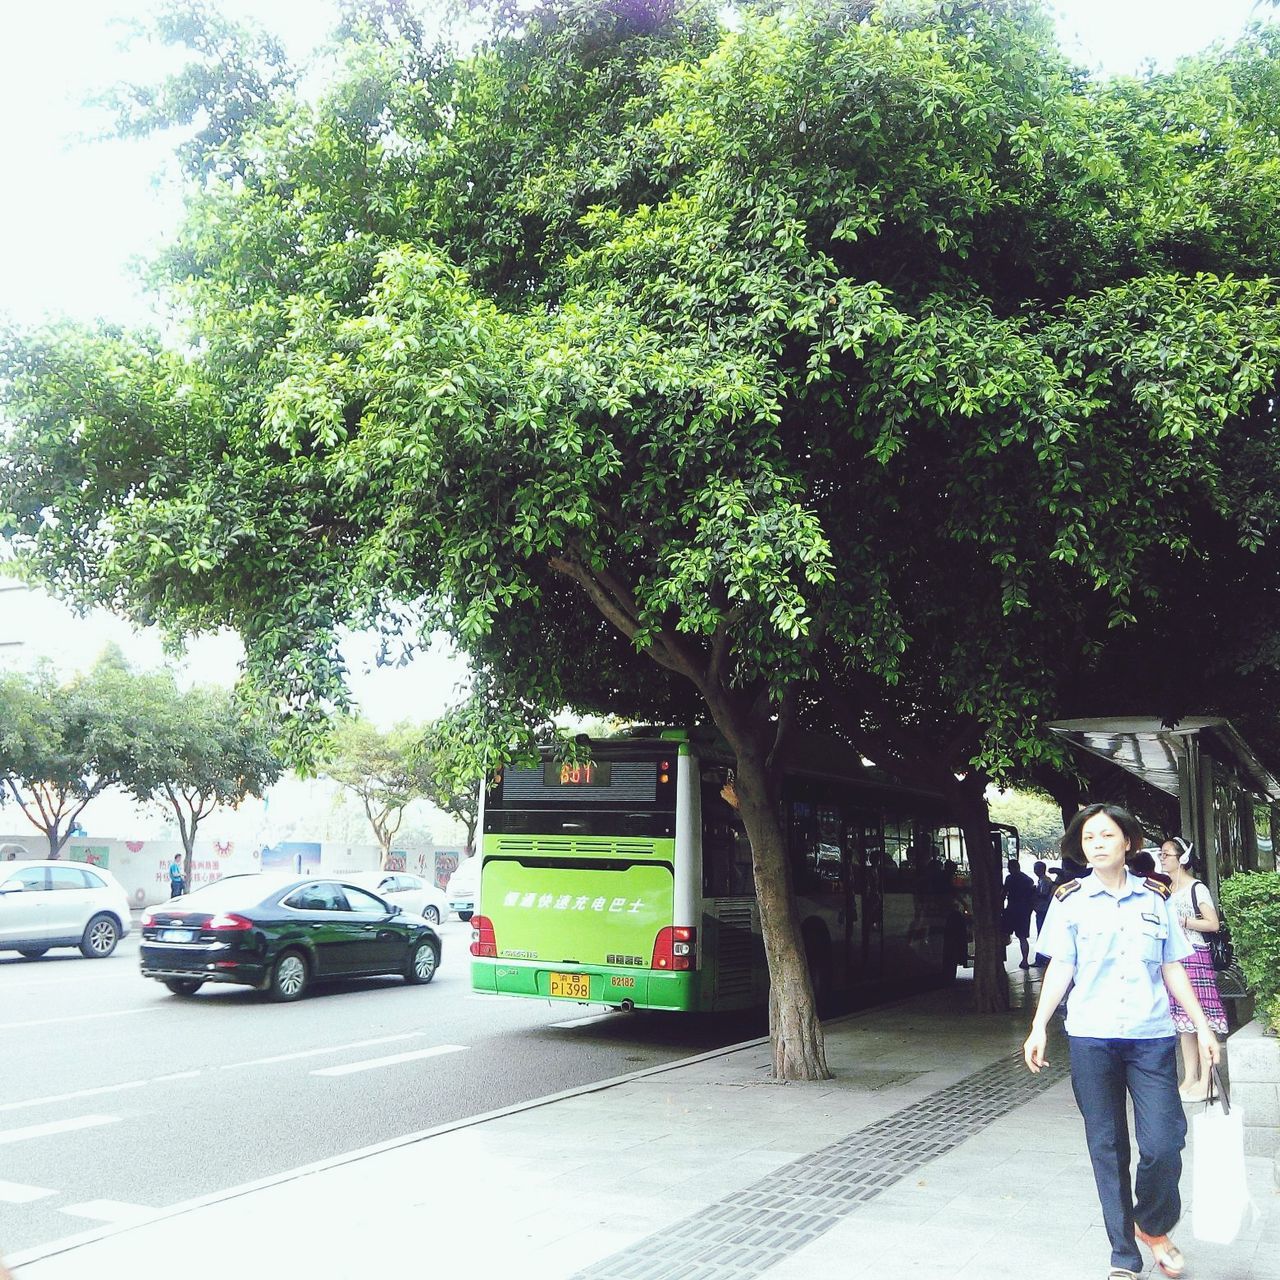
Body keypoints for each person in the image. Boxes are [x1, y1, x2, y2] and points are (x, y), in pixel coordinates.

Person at [1024, 803, 1221, 1280]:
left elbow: (1172, 964)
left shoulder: (1156, 897)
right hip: (1091, 1039)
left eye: (1106, 835)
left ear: (1128, 843)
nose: (1097, 843)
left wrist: (1204, 1025)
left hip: (1150, 1038)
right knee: (1108, 1145)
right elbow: (1062, 967)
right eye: (1089, 837)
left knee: (1164, 1140)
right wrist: (1038, 1026)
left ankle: (1150, 1225)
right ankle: (1124, 1257)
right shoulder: (1069, 899)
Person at [1158, 837, 1228, 1102]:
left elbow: (1212, 923)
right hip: (1174, 958)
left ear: (1182, 858)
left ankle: (1207, 1079)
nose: (1162, 858)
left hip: (1195, 957)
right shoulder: (1166, 889)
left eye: (1167, 854)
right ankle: (1190, 1077)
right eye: (1162, 854)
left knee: (1201, 1021)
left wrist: (1182, 921)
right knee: (1184, 1024)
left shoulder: (1196, 888)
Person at [1002, 856, 1036, 969]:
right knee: (1022, 937)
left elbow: (1003, 894)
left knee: (1004, 934)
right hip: (1024, 912)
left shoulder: (1009, 879)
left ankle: (999, 958)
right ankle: (1025, 960)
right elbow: (1032, 897)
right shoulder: (1028, 880)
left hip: (1011, 910)